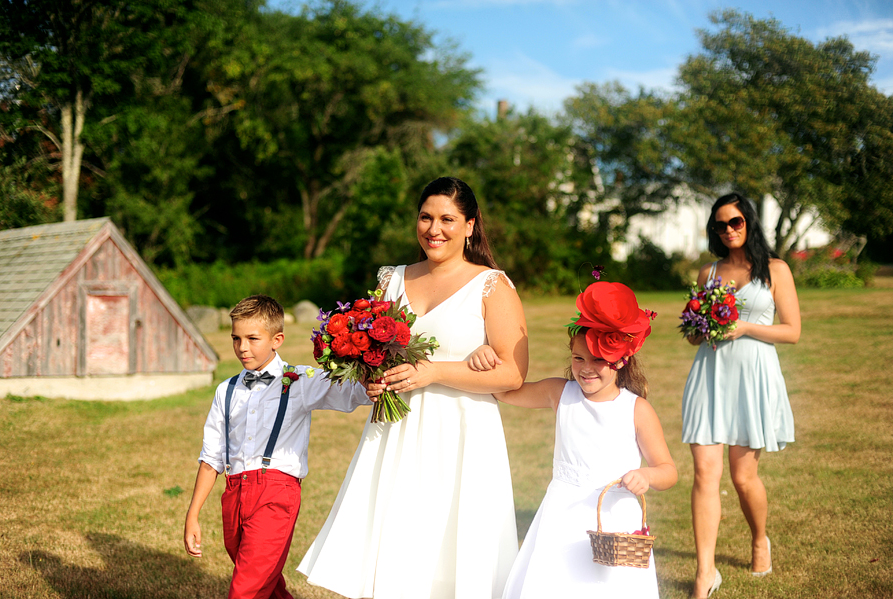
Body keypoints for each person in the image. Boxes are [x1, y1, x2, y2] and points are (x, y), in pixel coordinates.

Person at [297, 177, 529, 599]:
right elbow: (376, 352)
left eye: (447, 219)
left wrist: (434, 372)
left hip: (461, 433)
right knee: (395, 545)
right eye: (425, 217)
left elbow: (513, 374)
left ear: (470, 226)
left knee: (451, 552)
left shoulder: (492, 285)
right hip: (396, 430)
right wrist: (372, 379)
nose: (433, 229)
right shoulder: (392, 279)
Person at [468, 280, 677, 598]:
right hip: (563, 511)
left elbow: (668, 470)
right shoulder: (560, 392)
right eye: (579, 359)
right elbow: (504, 392)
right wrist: (488, 356)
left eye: (598, 361)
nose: (586, 369)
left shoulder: (636, 409)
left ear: (620, 360)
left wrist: (647, 475)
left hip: (613, 516)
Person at [184, 295, 371, 599]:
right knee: (265, 584)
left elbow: (353, 390)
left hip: (276, 494)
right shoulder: (225, 390)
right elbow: (211, 458)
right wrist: (193, 514)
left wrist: (372, 362)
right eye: (236, 338)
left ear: (277, 339)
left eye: (252, 338)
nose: (242, 347)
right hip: (234, 495)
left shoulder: (300, 380)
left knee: (246, 589)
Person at [681, 193, 800, 598]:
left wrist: (745, 327)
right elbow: (695, 334)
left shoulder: (776, 271)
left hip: (754, 377)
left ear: (749, 222)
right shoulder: (708, 272)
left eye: (735, 222)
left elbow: (792, 331)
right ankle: (705, 573)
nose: (728, 230)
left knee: (743, 476)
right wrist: (701, 325)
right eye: (720, 225)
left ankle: (759, 538)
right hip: (711, 375)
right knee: (704, 474)